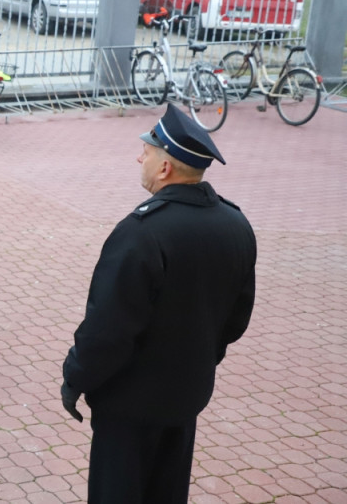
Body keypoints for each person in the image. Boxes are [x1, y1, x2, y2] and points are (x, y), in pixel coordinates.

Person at [61, 104, 256, 504]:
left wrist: (75, 378)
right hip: (186, 398)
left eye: (147, 151)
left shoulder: (141, 234)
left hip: (129, 407)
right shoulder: (236, 225)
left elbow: (107, 332)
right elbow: (236, 320)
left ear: (165, 168)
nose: (140, 157)